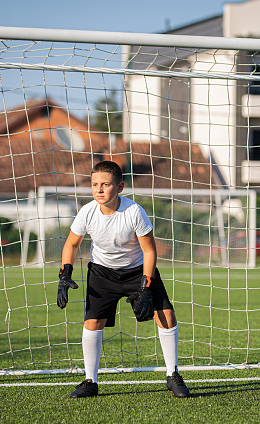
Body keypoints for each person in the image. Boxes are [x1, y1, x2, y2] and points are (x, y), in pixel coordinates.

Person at [56, 160, 190, 399]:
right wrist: (65, 274)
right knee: (92, 323)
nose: (99, 189)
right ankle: (90, 381)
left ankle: (173, 375)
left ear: (120, 187)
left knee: (166, 315)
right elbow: (72, 244)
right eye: (95, 184)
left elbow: (149, 251)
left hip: (137, 271)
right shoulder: (87, 212)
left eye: (105, 184)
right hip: (102, 273)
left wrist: (146, 286)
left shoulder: (134, 211)